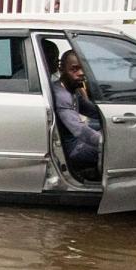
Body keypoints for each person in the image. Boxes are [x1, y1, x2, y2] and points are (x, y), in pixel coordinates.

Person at [51, 50, 102, 180]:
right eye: (74, 69)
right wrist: (108, 142)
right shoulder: (62, 96)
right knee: (117, 149)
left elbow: (93, 111)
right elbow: (80, 130)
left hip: (78, 141)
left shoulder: (71, 88)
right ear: (61, 69)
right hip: (73, 149)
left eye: (83, 69)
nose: (81, 73)